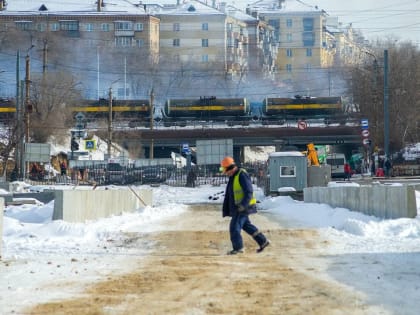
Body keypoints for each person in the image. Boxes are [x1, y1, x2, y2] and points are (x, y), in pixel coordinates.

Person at [220, 156, 270, 255]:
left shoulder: (241, 175)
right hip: (239, 207)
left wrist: (243, 205)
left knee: (234, 227)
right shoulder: (234, 176)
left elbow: (249, 191)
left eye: (226, 171)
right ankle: (263, 241)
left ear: (231, 168)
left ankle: (238, 248)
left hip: (243, 207)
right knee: (247, 226)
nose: (226, 173)